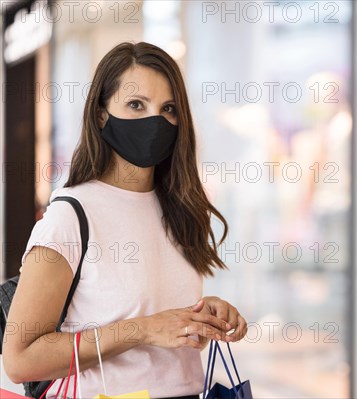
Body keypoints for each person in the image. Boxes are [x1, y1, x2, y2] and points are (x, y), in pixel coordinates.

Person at [3, 41, 247, 399]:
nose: (155, 120)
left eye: (168, 109)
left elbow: (149, 308)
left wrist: (200, 314)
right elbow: (21, 360)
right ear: (101, 115)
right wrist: (142, 330)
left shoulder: (178, 208)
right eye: (136, 105)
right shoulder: (71, 215)